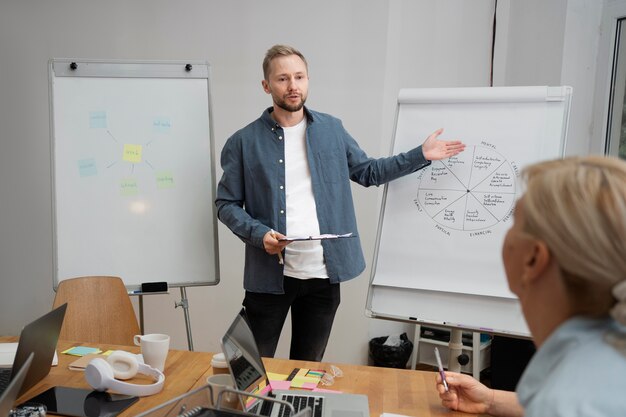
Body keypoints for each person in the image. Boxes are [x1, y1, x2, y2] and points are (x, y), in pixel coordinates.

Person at [215, 44, 465, 361]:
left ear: (307, 80)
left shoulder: (332, 130)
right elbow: (226, 203)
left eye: (299, 77)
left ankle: (295, 412)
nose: (292, 86)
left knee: (307, 370)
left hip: (322, 279)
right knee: (250, 367)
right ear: (267, 86)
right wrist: (258, 233)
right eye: (282, 79)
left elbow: (368, 171)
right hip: (269, 278)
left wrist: (421, 154)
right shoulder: (243, 141)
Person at [436, 155, 626, 416]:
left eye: (514, 221)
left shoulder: (566, 402)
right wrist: (490, 400)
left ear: (534, 259)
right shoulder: (605, 356)